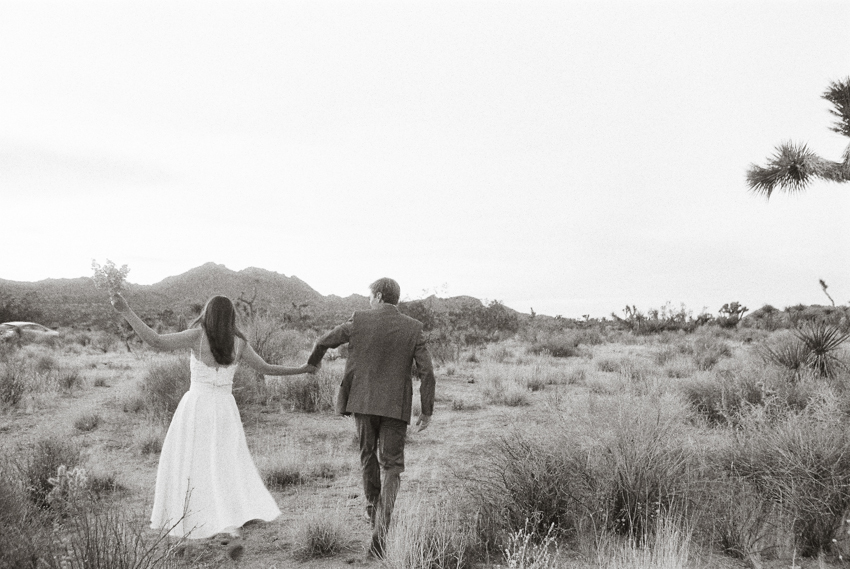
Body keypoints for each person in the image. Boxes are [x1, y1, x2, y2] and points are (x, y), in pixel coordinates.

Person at [111, 293, 312, 558]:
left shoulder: (197, 336)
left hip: (196, 408)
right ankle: (229, 528)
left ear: (207, 313)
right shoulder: (239, 343)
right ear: (231, 317)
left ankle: (184, 529)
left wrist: (126, 310)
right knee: (224, 466)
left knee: (189, 465)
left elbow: (155, 341)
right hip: (224, 410)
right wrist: (302, 369)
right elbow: (265, 368)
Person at [306, 278, 435, 558]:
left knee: (367, 455)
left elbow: (323, 341)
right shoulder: (413, 328)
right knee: (393, 466)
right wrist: (426, 410)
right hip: (395, 406)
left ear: (378, 296)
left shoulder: (359, 320)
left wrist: (312, 364)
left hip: (363, 402)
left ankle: (372, 507)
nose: (368, 301)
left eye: (369, 296)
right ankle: (381, 531)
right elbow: (427, 372)